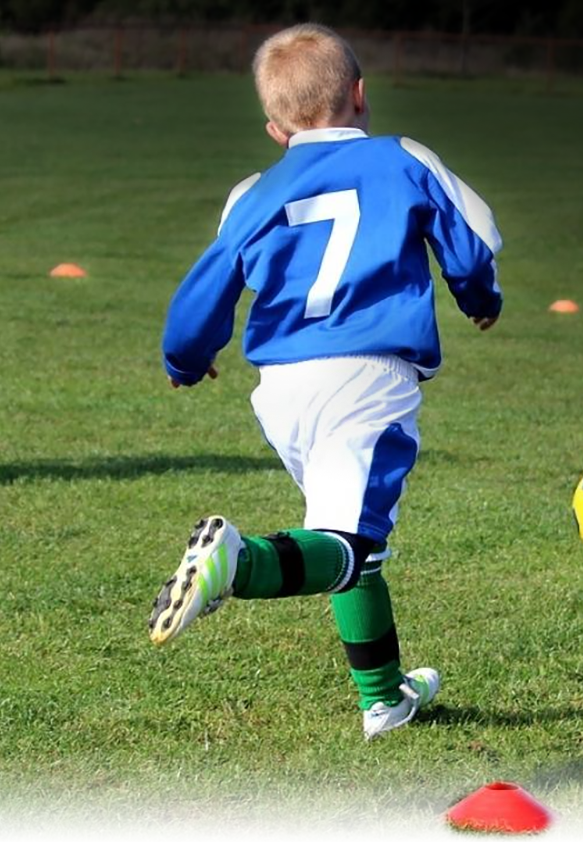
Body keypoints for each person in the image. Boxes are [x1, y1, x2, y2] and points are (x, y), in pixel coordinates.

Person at [149, 22, 503, 741]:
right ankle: (236, 564)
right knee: (348, 542)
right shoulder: (401, 156)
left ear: (275, 127)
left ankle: (385, 698)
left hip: (279, 389)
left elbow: (205, 288)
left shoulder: (252, 191)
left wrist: (187, 358)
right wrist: (480, 300)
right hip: (367, 378)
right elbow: (470, 244)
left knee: (348, 537)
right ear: (362, 95)